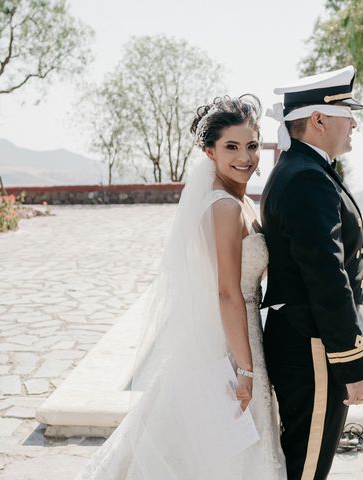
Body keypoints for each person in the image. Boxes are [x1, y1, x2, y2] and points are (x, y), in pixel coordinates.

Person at [74, 95, 286, 480]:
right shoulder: (224, 207)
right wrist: (246, 370)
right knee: (227, 446)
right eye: (231, 147)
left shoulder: (243, 203)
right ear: (210, 152)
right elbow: (227, 292)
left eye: (252, 146)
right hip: (231, 341)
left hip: (240, 332)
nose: (245, 157)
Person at [261, 65, 363, 479]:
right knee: (306, 469)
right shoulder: (307, 178)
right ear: (319, 119)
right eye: (348, 113)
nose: (355, 124)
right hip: (312, 345)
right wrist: (354, 367)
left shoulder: (304, 170)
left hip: (305, 339)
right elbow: (327, 277)